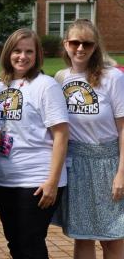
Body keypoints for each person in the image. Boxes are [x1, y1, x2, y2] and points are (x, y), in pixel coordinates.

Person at [0, 28, 69, 259]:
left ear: (37, 56)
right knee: (14, 241)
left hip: (37, 179)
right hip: (4, 179)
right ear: (8, 53)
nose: (22, 56)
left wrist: (53, 182)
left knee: (30, 243)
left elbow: (61, 135)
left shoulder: (46, 85)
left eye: (28, 51)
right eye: (17, 51)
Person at [55, 19, 124, 258]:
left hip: (108, 164)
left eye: (87, 43)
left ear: (95, 47)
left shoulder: (112, 77)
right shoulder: (61, 78)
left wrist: (121, 173)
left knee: (112, 238)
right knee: (82, 236)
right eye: (75, 42)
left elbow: (123, 129)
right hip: (74, 165)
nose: (80, 48)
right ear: (66, 44)